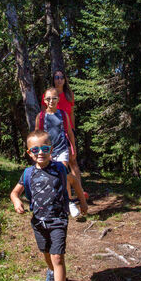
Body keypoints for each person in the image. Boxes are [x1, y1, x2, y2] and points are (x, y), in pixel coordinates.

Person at [9, 130, 87, 281]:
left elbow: (74, 182)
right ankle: (51, 271)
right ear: (29, 153)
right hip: (38, 222)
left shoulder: (60, 168)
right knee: (47, 254)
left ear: (51, 149)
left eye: (45, 148)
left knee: (57, 257)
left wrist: (82, 202)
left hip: (58, 219)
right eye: (35, 150)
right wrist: (16, 201)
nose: (40, 153)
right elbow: (14, 192)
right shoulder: (28, 173)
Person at [36, 87, 88, 218]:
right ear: (44, 100)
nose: (51, 101)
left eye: (54, 98)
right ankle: (53, 203)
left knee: (63, 173)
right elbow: (37, 135)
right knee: (50, 176)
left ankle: (69, 202)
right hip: (47, 152)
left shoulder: (63, 115)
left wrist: (73, 148)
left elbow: (69, 132)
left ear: (58, 99)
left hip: (62, 149)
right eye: (48, 99)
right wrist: (38, 152)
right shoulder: (41, 116)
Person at [44, 70, 89, 201]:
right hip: (54, 134)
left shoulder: (69, 94)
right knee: (59, 164)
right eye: (56, 77)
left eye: (61, 77)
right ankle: (65, 195)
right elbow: (44, 114)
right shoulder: (49, 95)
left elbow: (72, 113)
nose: (59, 80)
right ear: (53, 80)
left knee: (73, 160)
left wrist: (72, 130)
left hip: (68, 132)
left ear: (65, 80)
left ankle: (80, 191)